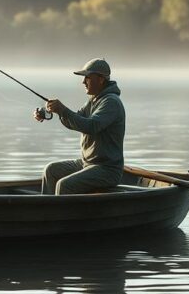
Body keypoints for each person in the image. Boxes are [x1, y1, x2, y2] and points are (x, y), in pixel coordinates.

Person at [33, 58, 125, 194]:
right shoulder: (94, 100)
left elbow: (91, 126)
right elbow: (76, 122)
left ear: (100, 79)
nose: (83, 82)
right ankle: (47, 212)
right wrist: (52, 111)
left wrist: (63, 110)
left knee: (64, 185)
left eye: (87, 77)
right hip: (87, 164)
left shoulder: (111, 102)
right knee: (51, 170)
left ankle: (63, 215)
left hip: (107, 169)